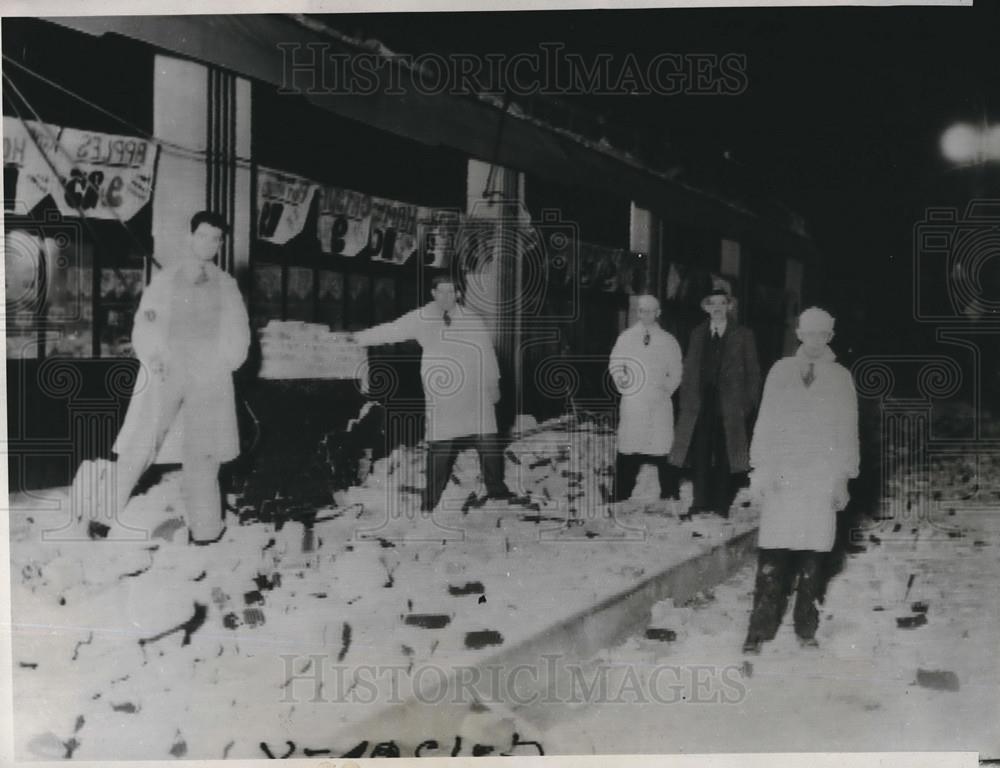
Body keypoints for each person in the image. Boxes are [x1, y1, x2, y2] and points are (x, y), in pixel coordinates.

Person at [105, 211, 251, 544]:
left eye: (215, 239)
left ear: (221, 243)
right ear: (190, 237)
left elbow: (239, 333)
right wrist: (154, 355)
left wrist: (224, 362)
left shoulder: (227, 285)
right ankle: (104, 514)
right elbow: (147, 320)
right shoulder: (166, 280)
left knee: (204, 452)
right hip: (169, 369)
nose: (208, 244)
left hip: (207, 375)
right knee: (142, 440)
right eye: (202, 236)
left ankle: (206, 529)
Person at [742, 307, 859, 653]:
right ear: (798, 333)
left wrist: (842, 479)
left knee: (813, 558)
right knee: (773, 558)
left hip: (820, 477)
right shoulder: (780, 371)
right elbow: (764, 422)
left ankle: (805, 627)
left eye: (821, 335)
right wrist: (760, 470)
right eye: (808, 334)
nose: (814, 341)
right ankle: (758, 629)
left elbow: (848, 432)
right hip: (784, 475)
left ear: (830, 337)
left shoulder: (840, 377)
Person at [350, 274, 512, 511]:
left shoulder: (472, 320)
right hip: (443, 394)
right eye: (441, 292)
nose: (447, 297)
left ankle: (496, 490)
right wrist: (357, 338)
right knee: (440, 447)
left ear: (458, 294)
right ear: (433, 294)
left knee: (488, 442)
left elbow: (486, 353)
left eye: (452, 292)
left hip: (474, 392)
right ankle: (430, 502)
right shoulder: (422, 317)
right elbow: (393, 330)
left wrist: (493, 384)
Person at [669, 287, 761, 517]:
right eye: (713, 303)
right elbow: (689, 371)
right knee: (700, 452)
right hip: (701, 403)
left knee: (725, 453)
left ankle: (720, 504)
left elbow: (753, 374)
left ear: (729, 306)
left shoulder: (743, 335)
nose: (718, 308)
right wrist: (687, 400)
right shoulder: (697, 333)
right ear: (707, 308)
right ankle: (699, 501)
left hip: (730, 405)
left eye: (722, 303)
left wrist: (746, 405)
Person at [608, 295, 683, 502]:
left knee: (662, 450)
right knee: (628, 450)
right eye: (642, 310)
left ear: (658, 313)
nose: (645, 315)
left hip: (659, 404)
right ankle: (619, 497)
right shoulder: (626, 337)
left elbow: (676, 372)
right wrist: (623, 383)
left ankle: (669, 497)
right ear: (637, 312)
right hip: (634, 403)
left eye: (650, 311)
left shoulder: (668, 341)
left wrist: (663, 391)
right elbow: (615, 364)